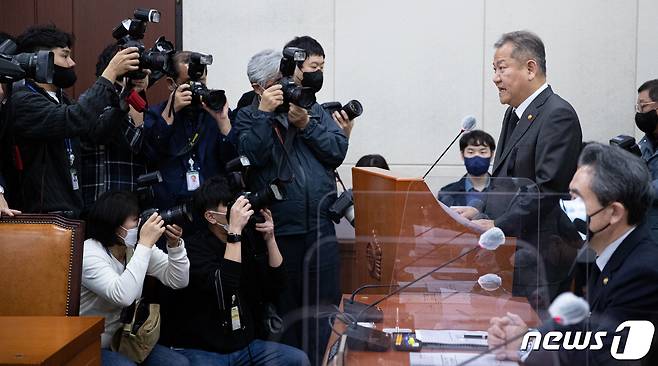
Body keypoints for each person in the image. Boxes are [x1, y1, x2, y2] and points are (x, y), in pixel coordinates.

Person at [488, 143, 658, 365]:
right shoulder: (601, 255)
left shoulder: (642, 272)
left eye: (577, 198)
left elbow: (604, 355)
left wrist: (525, 348)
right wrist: (529, 336)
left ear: (614, 212)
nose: (566, 206)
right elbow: (575, 328)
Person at [234, 48, 348, 365]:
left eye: (285, 79)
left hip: (321, 227)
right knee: (288, 315)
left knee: (324, 309)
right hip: (281, 233)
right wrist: (264, 114)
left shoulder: (305, 105)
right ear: (258, 87)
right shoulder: (248, 113)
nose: (285, 87)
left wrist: (307, 123)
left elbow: (338, 149)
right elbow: (250, 156)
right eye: (276, 82)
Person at [454, 30, 583, 300]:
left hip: (537, 257)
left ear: (530, 68)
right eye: (494, 69)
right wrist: (480, 211)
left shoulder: (557, 115)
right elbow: (507, 181)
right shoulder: (513, 114)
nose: (495, 78)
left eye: (502, 68)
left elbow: (546, 190)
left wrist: (498, 224)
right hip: (509, 253)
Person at [158, 177, 310, 366]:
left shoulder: (246, 239)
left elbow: (278, 285)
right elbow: (225, 286)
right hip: (205, 351)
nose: (237, 210)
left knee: (298, 360)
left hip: (246, 347)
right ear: (211, 216)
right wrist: (235, 232)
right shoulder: (194, 248)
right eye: (229, 205)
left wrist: (270, 239)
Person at [2, 25, 140, 218]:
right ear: (40, 58)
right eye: (64, 55)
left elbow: (95, 133)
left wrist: (121, 103)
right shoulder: (23, 100)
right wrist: (110, 74)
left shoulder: (62, 98)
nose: (72, 63)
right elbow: (73, 119)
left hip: (71, 213)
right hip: (40, 217)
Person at [80, 191, 190, 366]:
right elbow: (123, 296)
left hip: (126, 339)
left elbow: (178, 280)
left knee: (178, 363)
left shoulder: (134, 247)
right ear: (113, 223)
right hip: (91, 345)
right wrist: (145, 244)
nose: (140, 225)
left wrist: (174, 246)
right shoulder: (89, 253)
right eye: (134, 220)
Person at [143, 50, 237, 217]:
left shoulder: (215, 113)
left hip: (210, 209)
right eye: (189, 82)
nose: (197, 88)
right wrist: (170, 114)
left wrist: (223, 122)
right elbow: (150, 155)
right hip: (171, 209)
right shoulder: (156, 114)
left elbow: (232, 160)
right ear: (172, 83)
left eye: (200, 81)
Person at [80, 44, 150, 210]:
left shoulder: (150, 111)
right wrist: (124, 96)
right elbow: (105, 134)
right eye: (132, 68)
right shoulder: (95, 103)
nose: (141, 73)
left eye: (143, 67)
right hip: (103, 205)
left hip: (135, 206)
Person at [286, 36, 357, 138]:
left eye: (322, 67)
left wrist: (344, 133)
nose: (319, 71)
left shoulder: (318, 110)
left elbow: (334, 152)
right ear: (295, 66)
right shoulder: (278, 101)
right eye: (314, 66)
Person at [437, 130, 495, 208]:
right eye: (471, 152)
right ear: (462, 155)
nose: (476, 156)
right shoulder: (447, 193)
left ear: (492, 155)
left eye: (483, 152)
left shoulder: (505, 191)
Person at [635, 79, 658, 241]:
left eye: (643, 106)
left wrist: (634, 189)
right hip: (645, 232)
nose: (640, 113)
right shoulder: (646, 142)